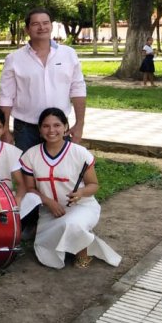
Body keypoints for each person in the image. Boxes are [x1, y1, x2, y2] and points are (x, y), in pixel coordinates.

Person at [20, 108, 121, 269]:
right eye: (46, 126)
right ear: (39, 130)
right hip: (50, 211)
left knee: (73, 224)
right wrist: (49, 203)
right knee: (48, 257)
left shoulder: (80, 153)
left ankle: (83, 251)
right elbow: (30, 189)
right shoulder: (31, 155)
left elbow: (93, 185)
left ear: (66, 127)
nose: (51, 130)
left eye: (57, 125)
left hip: (81, 207)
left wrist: (81, 193)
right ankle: (78, 237)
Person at [0, 7, 87, 151]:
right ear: (27, 29)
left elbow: (78, 89)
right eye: (35, 24)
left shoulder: (68, 54)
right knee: (26, 169)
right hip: (26, 128)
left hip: (58, 127)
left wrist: (79, 124)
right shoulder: (14, 59)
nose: (42, 27)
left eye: (46, 23)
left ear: (51, 26)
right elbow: (6, 97)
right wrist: (5, 130)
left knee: (57, 170)